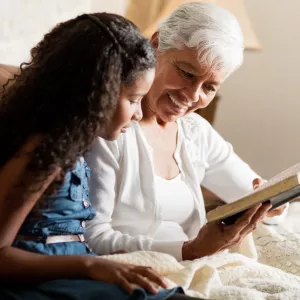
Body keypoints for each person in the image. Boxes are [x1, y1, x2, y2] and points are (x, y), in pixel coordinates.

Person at [0, 12, 197, 300]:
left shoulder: (75, 145)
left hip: (76, 270)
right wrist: (89, 265)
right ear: (96, 92)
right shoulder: (41, 150)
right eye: (133, 100)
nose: (139, 114)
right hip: (42, 282)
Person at [85, 2, 286, 262]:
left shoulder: (195, 132)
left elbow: (254, 193)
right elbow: (90, 238)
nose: (193, 96)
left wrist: (272, 204)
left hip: (194, 263)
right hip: (133, 270)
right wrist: (190, 250)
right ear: (155, 45)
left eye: (210, 87)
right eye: (187, 73)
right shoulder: (110, 127)